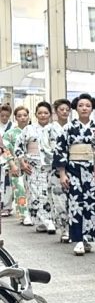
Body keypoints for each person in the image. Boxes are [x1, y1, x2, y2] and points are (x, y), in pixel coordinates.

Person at [54, 94, 95, 255]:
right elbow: (60, 150)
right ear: (75, 108)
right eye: (81, 105)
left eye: (87, 105)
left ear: (92, 108)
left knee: (92, 204)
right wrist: (62, 173)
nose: (84, 108)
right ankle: (78, 239)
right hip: (73, 169)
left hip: (92, 171)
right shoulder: (68, 128)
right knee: (75, 204)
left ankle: (88, 238)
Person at [14, 102, 61, 234]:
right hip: (33, 165)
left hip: (51, 165)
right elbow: (18, 146)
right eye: (40, 113)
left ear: (50, 115)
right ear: (35, 115)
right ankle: (41, 221)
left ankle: (50, 220)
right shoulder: (28, 129)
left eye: (46, 113)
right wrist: (22, 163)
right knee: (35, 194)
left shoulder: (55, 129)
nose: (43, 115)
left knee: (49, 193)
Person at [3, 106, 31, 226]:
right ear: (15, 118)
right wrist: (12, 164)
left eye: (25, 115)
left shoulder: (33, 131)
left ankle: (33, 214)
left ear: (28, 116)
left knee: (32, 190)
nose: (22, 118)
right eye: (19, 116)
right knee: (20, 190)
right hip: (16, 164)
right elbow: (5, 149)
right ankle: (23, 215)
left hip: (31, 164)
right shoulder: (10, 134)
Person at [51, 98, 71, 242]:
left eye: (67, 109)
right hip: (55, 169)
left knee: (72, 201)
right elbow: (45, 149)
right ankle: (64, 229)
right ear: (56, 111)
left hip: (73, 168)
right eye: (61, 109)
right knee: (59, 201)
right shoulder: (49, 129)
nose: (64, 112)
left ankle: (72, 229)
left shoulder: (73, 127)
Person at [0, 104, 12, 218]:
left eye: (6, 116)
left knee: (8, 183)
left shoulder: (12, 127)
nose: (4, 118)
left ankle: (7, 206)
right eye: (2, 115)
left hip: (8, 157)